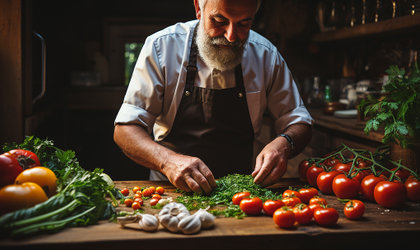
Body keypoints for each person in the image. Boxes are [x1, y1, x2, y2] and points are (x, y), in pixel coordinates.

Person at [113, 0, 313, 194]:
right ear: (198, 8)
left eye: (244, 23)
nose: (231, 36)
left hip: (241, 193)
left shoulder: (266, 55)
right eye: (219, 21)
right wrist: (168, 162)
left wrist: (285, 143)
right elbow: (125, 130)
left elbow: (300, 122)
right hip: (169, 192)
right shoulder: (161, 48)